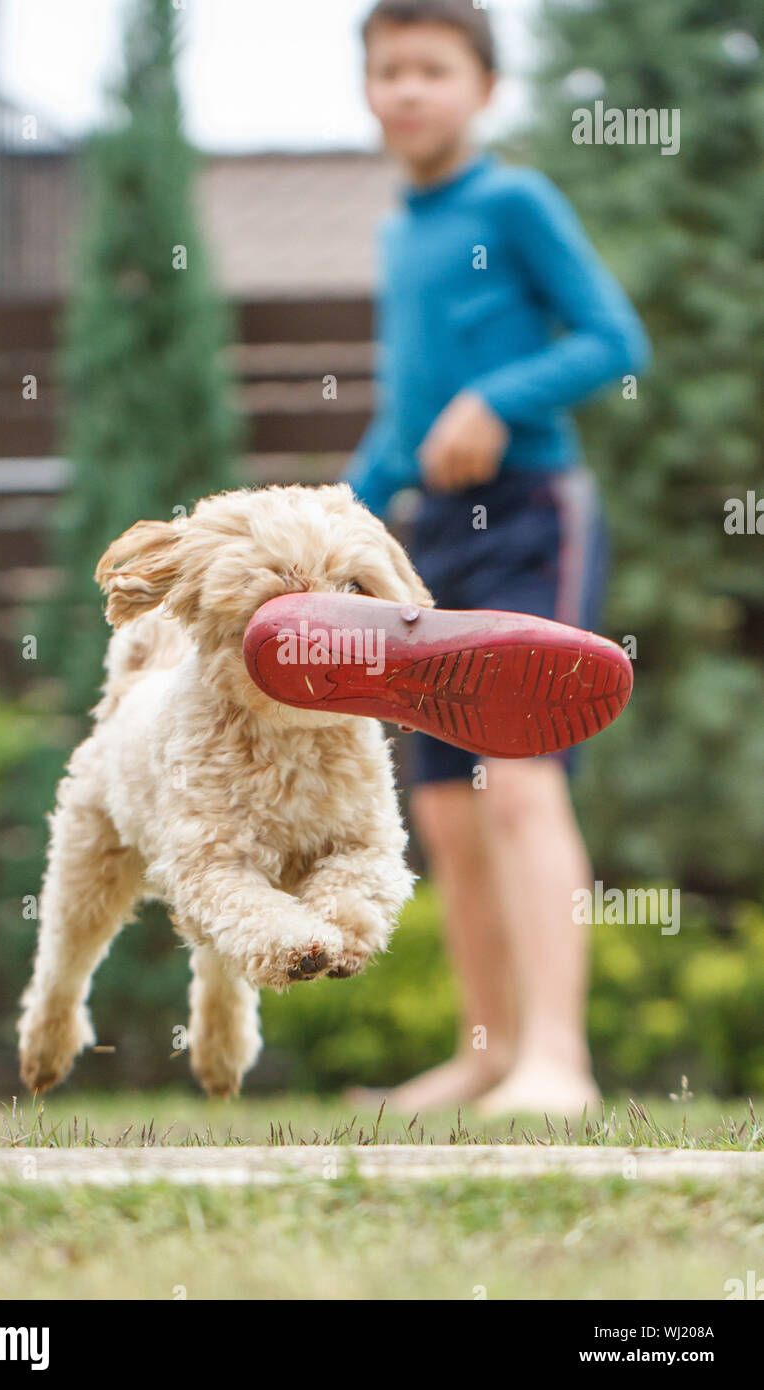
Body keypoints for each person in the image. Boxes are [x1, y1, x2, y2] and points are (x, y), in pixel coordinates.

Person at [340, 0, 651, 1116]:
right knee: (448, 814)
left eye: (431, 68)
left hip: (531, 517)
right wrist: (332, 519)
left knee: (518, 784)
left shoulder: (513, 199)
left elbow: (615, 339)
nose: (407, 89)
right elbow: (402, 420)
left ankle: (556, 1062)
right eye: (388, 71)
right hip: (435, 544)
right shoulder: (397, 230)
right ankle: (487, 1050)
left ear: (481, 88)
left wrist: (493, 397)